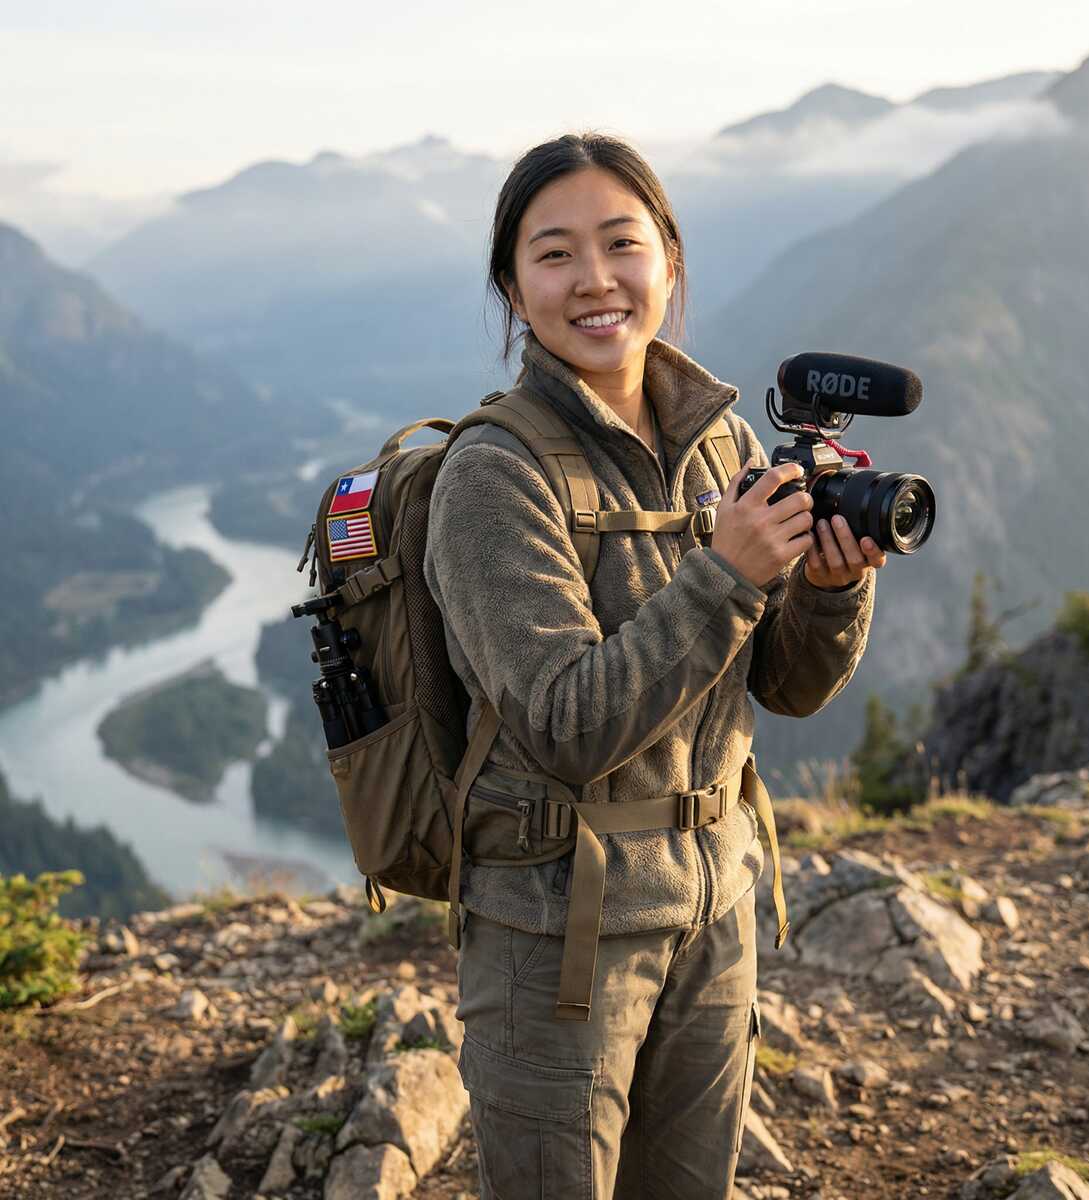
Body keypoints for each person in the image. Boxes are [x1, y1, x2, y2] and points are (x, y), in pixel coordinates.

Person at [423, 131, 884, 1200]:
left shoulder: (722, 445)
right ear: (511, 285)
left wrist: (827, 584)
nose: (594, 280)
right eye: (553, 254)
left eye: (622, 243)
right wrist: (726, 574)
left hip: (715, 906)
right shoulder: (493, 477)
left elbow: (789, 688)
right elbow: (564, 726)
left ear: (668, 260)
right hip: (557, 938)